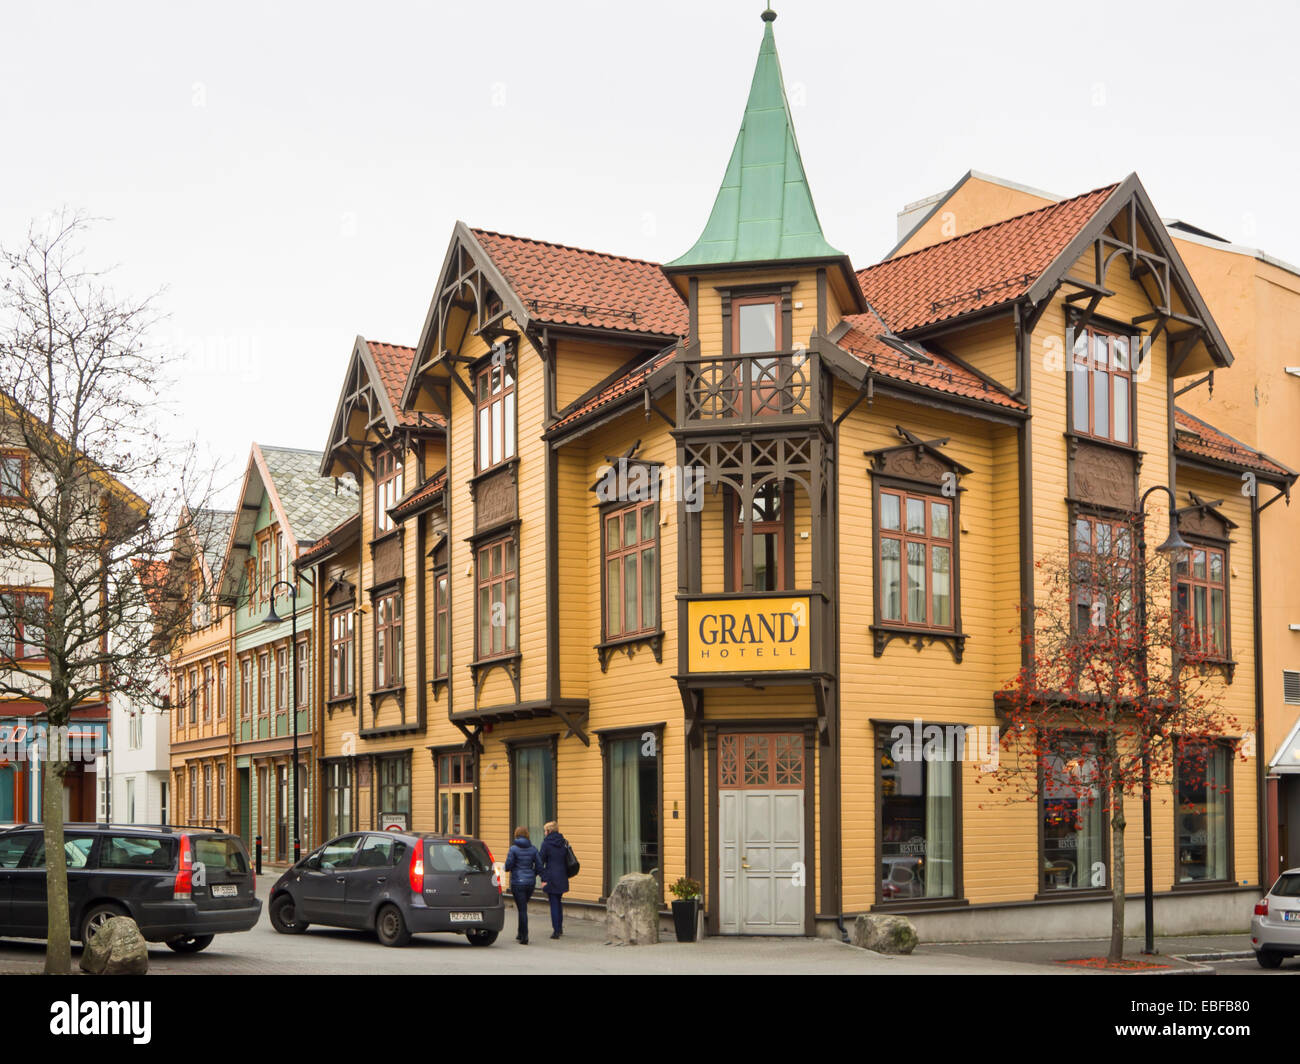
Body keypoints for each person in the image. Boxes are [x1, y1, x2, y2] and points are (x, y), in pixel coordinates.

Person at [503, 826, 540, 944]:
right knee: (522, 908)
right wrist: (532, 874)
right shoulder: (533, 849)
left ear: (516, 835)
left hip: (517, 882)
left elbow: (508, 866)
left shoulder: (513, 849)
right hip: (530, 883)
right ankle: (520, 933)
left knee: (522, 909)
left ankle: (525, 936)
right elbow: (539, 867)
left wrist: (506, 867)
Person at [536, 820, 571, 939]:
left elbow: (540, 860)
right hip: (562, 875)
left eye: (545, 831)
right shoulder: (564, 842)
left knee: (553, 903)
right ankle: (559, 927)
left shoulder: (546, 844)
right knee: (558, 902)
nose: (544, 833)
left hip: (551, 875)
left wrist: (541, 876)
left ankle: (556, 930)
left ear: (549, 831)